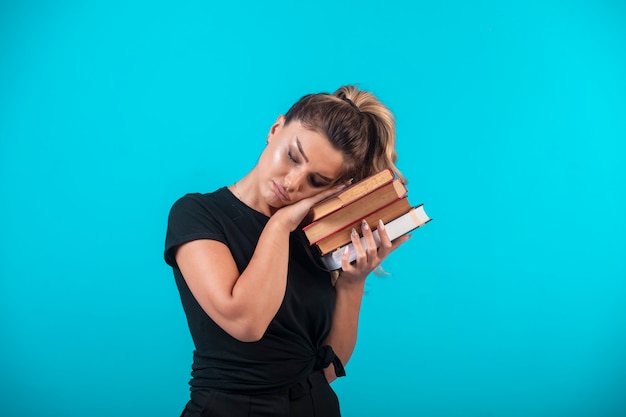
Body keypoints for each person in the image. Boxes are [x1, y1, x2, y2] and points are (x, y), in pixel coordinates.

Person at [164, 85, 410, 417]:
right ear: (275, 128)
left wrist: (353, 282)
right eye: (293, 156)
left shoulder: (314, 238)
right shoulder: (198, 213)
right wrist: (280, 224)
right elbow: (247, 322)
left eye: (317, 181)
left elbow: (328, 369)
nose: (293, 183)